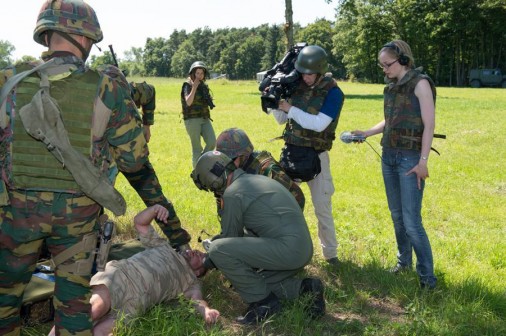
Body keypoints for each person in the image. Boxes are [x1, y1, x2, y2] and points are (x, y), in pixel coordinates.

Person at [0, 1, 149, 335]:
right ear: (85, 37)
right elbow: (135, 159)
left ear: (47, 33)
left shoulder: (8, 82)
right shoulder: (106, 88)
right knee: (73, 305)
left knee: (3, 300)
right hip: (78, 217)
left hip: (15, 213)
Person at [191, 151, 325, 325]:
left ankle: (263, 304)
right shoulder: (258, 180)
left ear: (212, 178)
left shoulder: (232, 194)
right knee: (255, 283)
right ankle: (306, 288)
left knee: (217, 249)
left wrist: (205, 262)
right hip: (302, 250)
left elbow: (228, 241)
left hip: (288, 251)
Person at [48, 204, 219, 336]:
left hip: (137, 304)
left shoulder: (191, 281)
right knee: (91, 310)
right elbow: (140, 222)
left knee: (100, 332)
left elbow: (197, 302)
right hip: (123, 278)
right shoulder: (164, 246)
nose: (197, 251)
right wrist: (153, 210)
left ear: (198, 272)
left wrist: (207, 311)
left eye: (201, 256)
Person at [352, 40, 437, 289]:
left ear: (402, 60)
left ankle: (427, 278)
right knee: (397, 216)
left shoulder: (420, 84)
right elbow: (390, 120)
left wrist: (423, 162)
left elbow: (429, 125)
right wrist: (366, 133)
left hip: (410, 159)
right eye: (382, 66)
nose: (384, 70)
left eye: (387, 64)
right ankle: (404, 263)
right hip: (388, 155)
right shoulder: (392, 87)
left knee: (412, 221)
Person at [270, 45, 345, 265]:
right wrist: (275, 103)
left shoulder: (333, 92)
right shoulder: (296, 86)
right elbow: (282, 120)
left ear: (321, 70)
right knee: (286, 205)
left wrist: (289, 108)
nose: (306, 77)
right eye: (303, 72)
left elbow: (319, 124)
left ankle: (330, 254)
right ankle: (286, 249)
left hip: (316, 158)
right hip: (292, 154)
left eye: (310, 73)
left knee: (322, 208)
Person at [125, 81, 192, 251]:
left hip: (133, 155)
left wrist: (147, 124)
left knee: (156, 199)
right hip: (102, 158)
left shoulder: (124, 89)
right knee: (92, 200)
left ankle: (182, 246)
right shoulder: (89, 94)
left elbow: (151, 91)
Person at [215, 127, 305, 210]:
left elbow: (298, 199)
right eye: (224, 160)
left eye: (231, 159)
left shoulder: (267, 170)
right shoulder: (229, 170)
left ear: (243, 155)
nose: (227, 164)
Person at [180, 61, 216, 168]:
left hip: (204, 118)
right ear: (192, 73)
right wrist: (194, 87)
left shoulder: (203, 86)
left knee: (212, 142)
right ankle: (197, 172)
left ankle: (202, 162)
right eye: (197, 73)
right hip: (192, 120)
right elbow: (188, 102)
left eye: (201, 73)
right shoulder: (187, 85)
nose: (199, 76)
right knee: (196, 148)